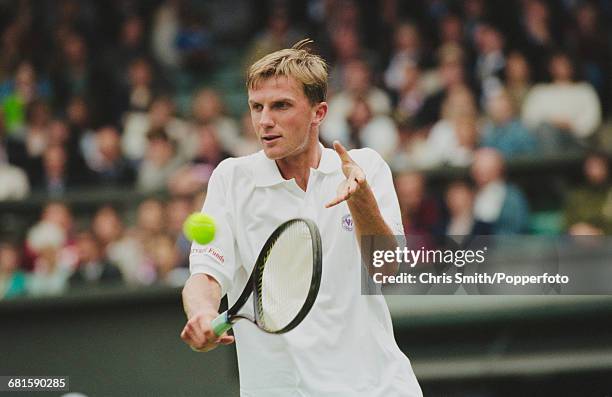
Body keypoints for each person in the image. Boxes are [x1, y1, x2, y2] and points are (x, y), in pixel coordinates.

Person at [180, 39, 422, 396]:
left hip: (378, 388)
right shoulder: (231, 179)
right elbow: (206, 276)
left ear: (318, 113)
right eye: (256, 107)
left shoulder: (364, 167)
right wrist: (201, 314)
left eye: (281, 106)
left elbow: (386, 270)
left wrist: (361, 201)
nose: (265, 121)